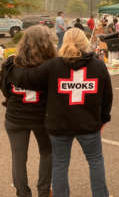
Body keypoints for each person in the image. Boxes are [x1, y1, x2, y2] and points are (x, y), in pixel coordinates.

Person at [11, 28, 113, 197]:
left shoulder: (53, 66)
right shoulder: (98, 65)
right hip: (89, 125)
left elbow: (25, 79)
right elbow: (107, 96)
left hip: (59, 126)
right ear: (85, 42)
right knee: (95, 161)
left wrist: (10, 64)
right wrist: (103, 120)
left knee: (60, 164)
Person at [0, 25, 55, 197]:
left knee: (18, 156)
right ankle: (44, 191)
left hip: (15, 116)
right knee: (47, 153)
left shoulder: (10, 64)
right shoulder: (51, 66)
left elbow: (4, 88)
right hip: (42, 117)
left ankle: (23, 193)